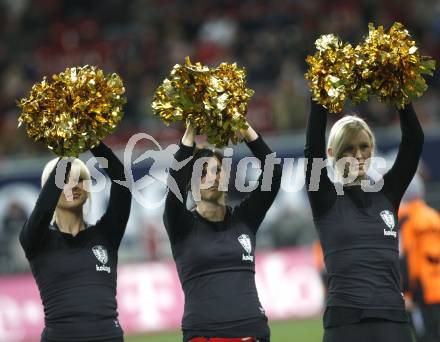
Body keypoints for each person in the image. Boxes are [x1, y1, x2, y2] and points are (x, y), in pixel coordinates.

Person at [304, 99, 424, 342]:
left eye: (363, 146)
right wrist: (320, 99)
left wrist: (401, 96)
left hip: (392, 319)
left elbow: (414, 142)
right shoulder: (324, 197)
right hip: (344, 324)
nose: (357, 155)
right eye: (348, 148)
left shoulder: (388, 193)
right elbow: (312, 149)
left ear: (372, 148)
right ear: (331, 153)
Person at [163, 122, 282, 342]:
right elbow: (174, 189)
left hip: (253, 333)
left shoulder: (244, 219)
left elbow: (273, 172)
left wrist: (244, 128)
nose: (212, 177)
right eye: (201, 173)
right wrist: (189, 134)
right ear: (190, 184)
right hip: (204, 336)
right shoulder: (181, 225)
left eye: (217, 171)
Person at [19, 142, 131, 342]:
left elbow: (121, 180)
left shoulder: (107, 234)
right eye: (64, 180)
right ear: (50, 190)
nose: (73, 186)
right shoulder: (35, 239)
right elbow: (43, 209)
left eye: (80, 180)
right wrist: (68, 155)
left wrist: (93, 141)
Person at [399, 176, 440, 342]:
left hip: (422, 292)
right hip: (437, 286)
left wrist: (407, 292)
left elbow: (407, 258)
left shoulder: (407, 219)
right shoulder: (433, 216)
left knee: (425, 337)